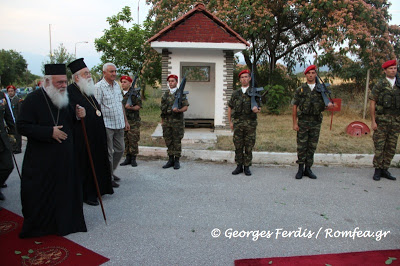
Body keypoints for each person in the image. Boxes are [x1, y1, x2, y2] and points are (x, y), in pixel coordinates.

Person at [17, 64, 87, 238]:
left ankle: (65, 224)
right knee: (40, 194)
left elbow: (70, 118)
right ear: (47, 82)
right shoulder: (32, 100)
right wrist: (49, 132)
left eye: (65, 82)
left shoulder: (63, 98)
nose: (64, 86)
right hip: (41, 159)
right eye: (59, 83)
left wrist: (79, 115)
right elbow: (22, 126)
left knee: (64, 192)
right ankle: (42, 228)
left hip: (64, 159)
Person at [67, 58, 114, 206]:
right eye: (85, 73)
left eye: (89, 73)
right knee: (87, 165)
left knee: (99, 160)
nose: (89, 76)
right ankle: (88, 194)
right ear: (76, 77)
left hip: (97, 136)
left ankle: (101, 188)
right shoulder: (70, 92)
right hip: (83, 137)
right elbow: (70, 113)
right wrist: (76, 113)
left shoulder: (88, 90)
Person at [292, 65, 333, 180]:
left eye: (313, 73)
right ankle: (300, 169)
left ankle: (308, 169)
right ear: (305, 75)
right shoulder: (300, 89)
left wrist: (329, 106)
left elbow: (326, 105)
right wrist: (295, 123)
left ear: (316, 74)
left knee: (312, 146)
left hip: (315, 121)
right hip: (303, 121)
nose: (311, 75)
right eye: (308, 73)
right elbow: (294, 106)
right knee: (301, 146)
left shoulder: (322, 89)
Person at [95, 63, 130, 187]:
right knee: (108, 152)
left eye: (115, 71)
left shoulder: (116, 86)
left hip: (119, 123)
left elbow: (120, 104)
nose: (114, 74)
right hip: (107, 124)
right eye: (111, 71)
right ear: (104, 73)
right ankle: (108, 177)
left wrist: (125, 121)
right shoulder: (98, 87)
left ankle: (110, 171)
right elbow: (96, 107)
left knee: (120, 149)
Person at [369, 59, 399, 181]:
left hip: (396, 121)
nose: (393, 70)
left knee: (391, 146)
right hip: (382, 120)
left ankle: (385, 169)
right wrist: (373, 120)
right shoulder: (380, 84)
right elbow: (372, 102)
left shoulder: (399, 84)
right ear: (385, 70)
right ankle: (377, 170)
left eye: (395, 68)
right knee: (380, 145)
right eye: (391, 68)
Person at [228, 69, 261, 176]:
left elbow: (259, 107)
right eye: (242, 77)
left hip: (250, 124)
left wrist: (257, 109)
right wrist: (230, 122)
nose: (244, 79)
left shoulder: (254, 92)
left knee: (248, 145)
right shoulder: (235, 93)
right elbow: (230, 107)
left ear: (250, 78)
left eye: (246, 77)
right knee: (238, 145)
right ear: (239, 80)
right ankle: (239, 166)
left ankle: (247, 167)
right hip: (238, 123)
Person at [160, 74, 189, 169]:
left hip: (177, 122)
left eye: (173, 81)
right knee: (168, 140)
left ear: (176, 82)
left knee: (176, 141)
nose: (171, 83)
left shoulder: (181, 94)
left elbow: (186, 107)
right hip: (167, 122)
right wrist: (162, 121)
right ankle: (170, 159)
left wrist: (179, 110)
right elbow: (162, 109)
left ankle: (177, 160)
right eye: (169, 81)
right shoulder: (165, 95)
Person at [119, 75, 142, 167]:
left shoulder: (134, 93)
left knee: (133, 139)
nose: (123, 84)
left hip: (133, 121)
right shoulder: (118, 94)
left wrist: (131, 107)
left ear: (129, 83)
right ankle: (127, 157)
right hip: (122, 121)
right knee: (125, 140)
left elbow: (139, 106)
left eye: (125, 82)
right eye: (122, 82)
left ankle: (133, 158)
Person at [0, 90, 15, 201]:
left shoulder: (1, 95)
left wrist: (13, 132)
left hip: (2, 137)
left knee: (8, 166)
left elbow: (7, 114)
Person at [6, 85, 23, 153]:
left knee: (17, 135)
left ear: (15, 91)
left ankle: (18, 148)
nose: (10, 93)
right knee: (11, 134)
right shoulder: (7, 101)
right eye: (9, 91)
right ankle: (13, 147)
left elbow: (20, 111)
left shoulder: (18, 100)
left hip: (16, 120)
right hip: (10, 121)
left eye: (12, 91)